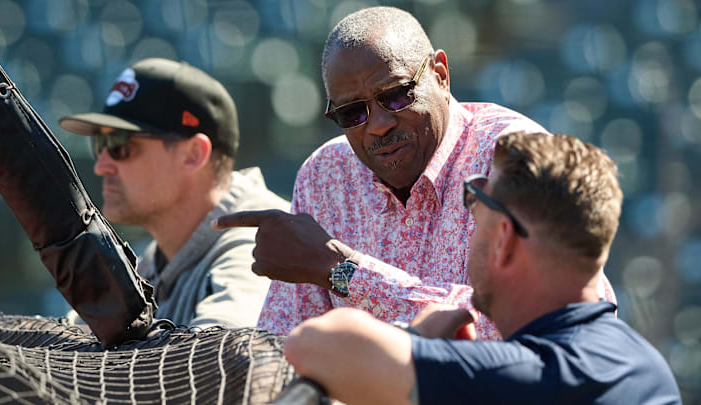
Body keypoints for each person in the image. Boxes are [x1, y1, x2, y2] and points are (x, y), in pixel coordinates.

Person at [212, 6, 616, 338]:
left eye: (397, 94)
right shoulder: (325, 176)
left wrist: (343, 271)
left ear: (440, 74)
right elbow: (283, 341)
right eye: (352, 113)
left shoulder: (512, 159)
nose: (378, 124)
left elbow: (531, 331)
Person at [283, 132, 682, 405]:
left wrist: (417, 337)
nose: (469, 213)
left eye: (475, 200)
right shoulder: (643, 364)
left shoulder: (528, 378)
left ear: (504, 237)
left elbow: (313, 345)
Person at [59, 58, 288, 328]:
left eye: (120, 144)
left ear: (193, 154)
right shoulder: (155, 257)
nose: (101, 165)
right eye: (101, 143)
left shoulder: (260, 247)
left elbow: (222, 362)